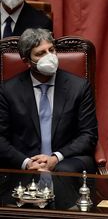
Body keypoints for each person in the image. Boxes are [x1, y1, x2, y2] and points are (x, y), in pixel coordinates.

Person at [0, 28, 98, 173]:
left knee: (63, 170)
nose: (49, 56)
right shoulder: (8, 90)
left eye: (51, 50)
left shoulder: (79, 87)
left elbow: (89, 135)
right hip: (24, 161)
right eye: (40, 53)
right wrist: (27, 163)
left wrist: (55, 158)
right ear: (27, 61)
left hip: (66, 160)